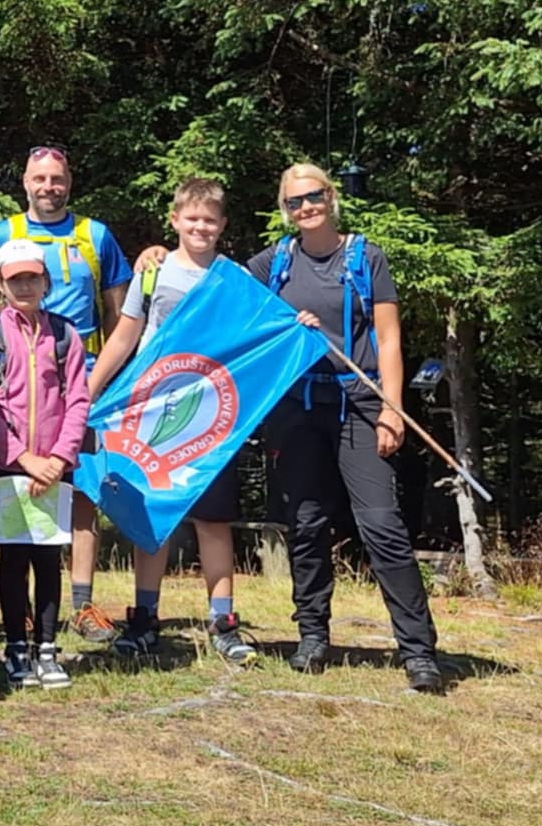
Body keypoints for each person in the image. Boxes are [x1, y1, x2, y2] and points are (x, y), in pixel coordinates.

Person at [245, 163, 442, 693]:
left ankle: (418, 650)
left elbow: (390, 339)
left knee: (381, 524)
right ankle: (312, 636)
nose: (305, 208)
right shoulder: (275, 262)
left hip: (361, 404)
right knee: (306, 524)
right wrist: (157, 257)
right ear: (284, 209)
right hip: (298, 411)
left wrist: (392, 410)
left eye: (312, 197)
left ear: (331, 197)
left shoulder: (365, 257)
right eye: (293, 202)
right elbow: (222, 291)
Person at [87, 177, 256, 667]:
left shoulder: (233, 278)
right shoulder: (153, 273)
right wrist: (90, 390)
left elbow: (259, 333)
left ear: (222, 225)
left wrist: (300, 324)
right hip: (154, 412)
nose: (200, 227)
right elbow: (125, 334)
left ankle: (223, 621)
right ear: (175, 220)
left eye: (210, 220)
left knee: (213, 519)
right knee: (151, 516)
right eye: (192, 218)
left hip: (213, 416)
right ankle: (144, 617)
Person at [0, 146, 131, 644]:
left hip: (82, 382)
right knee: (20, 508)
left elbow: (120, 317)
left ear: (69, 180)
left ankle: (81, 605)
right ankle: (19, 622)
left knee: (80, 495)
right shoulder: (1, 235)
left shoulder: (95, 235)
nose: (49, 186)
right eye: (39, 178)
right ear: (24, 181)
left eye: (57, 178)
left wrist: (93, 381)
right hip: (19, 390)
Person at [0, 239, 91, 691]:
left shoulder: (65, 335)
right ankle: (16, 646)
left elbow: (79, 398)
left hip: (55, 467)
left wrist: (59, 458)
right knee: (13, 558)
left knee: (47, 558)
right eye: (15, 278)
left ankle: (47, 647)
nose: (24, 286)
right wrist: (22, 458)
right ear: (0, 284)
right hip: (9, 466)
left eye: (32, 277)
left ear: (46, 282)